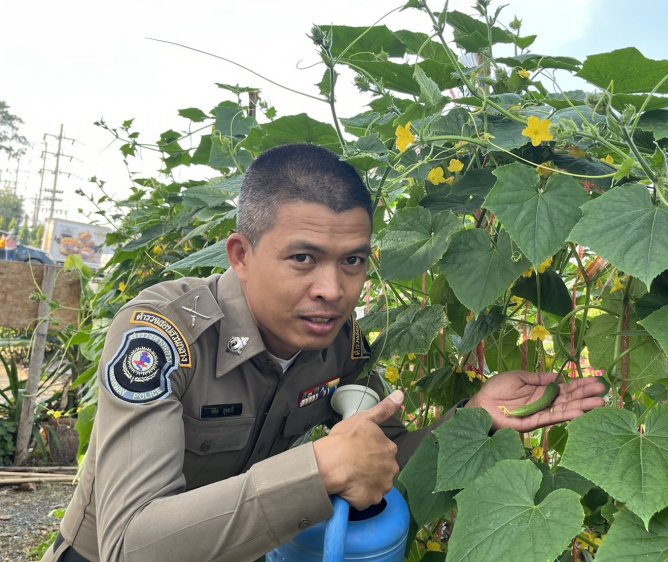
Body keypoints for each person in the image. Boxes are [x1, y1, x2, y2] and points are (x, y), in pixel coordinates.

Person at [43, 144, 605, 562]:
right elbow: (128, 545)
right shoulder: (165, 336)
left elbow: (382, 452)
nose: (333, 290)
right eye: (303, 259)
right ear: (241, 254)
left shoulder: (339, 345)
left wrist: (476, 420)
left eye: (353, 261)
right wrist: (315, 471)